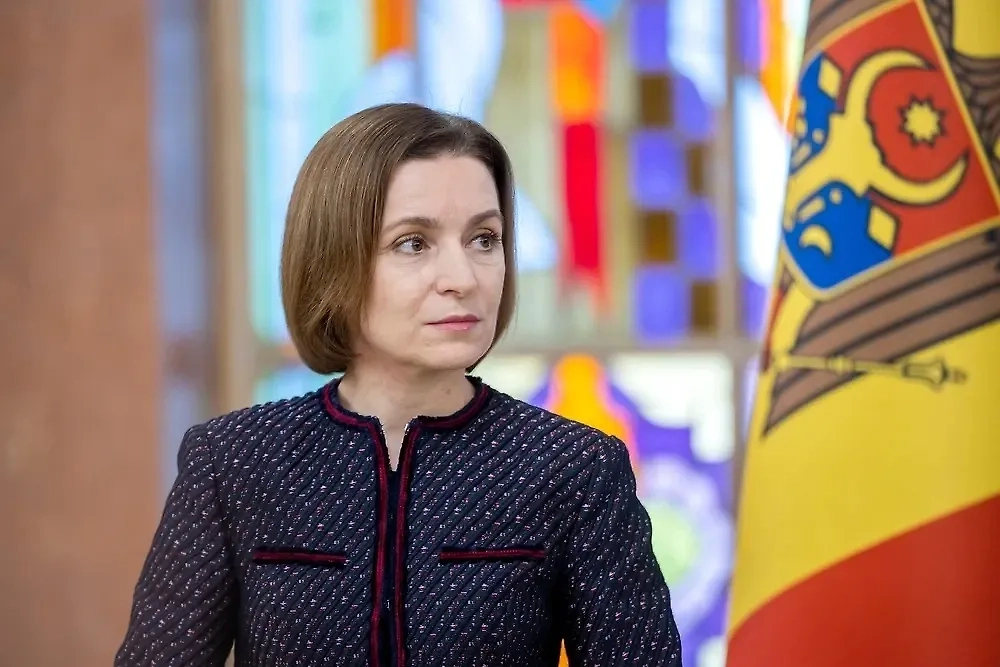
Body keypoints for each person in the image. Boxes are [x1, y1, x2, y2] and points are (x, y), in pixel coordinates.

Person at [116, 102, 682, 667]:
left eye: (484, 238)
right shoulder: (234, 461)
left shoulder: (575, 468)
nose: (463, 278)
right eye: (414, 243)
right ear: (333, 260)